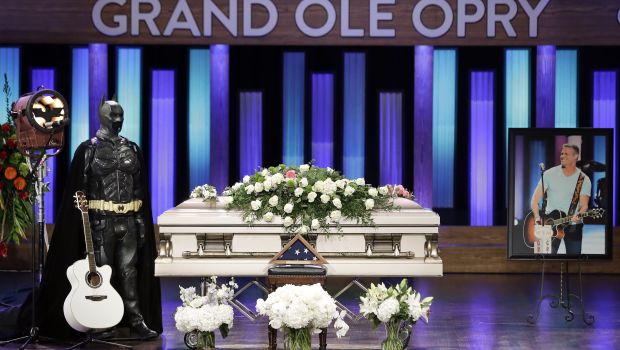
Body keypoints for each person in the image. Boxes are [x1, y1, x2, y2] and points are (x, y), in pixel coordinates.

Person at [37, 98, 161, 339]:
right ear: (102, 117)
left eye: (121, 116)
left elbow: (138, 188)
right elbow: (78, 188)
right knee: (105, 272)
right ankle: (105, 321)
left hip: (128, 221)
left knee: (129, 272)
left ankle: (136, 320)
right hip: (100, 222)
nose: (118, 120)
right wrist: (82, 222)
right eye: (113, 116)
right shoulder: (88, 149)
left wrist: (141, 222)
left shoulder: (132, 148)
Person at [530, 143, 591, 255]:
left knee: (574, 262)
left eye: (566, 154)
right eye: (561, 153)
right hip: (549, 225)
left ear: (576, 156)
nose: (562, 156)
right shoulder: (548, 174)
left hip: (573, 226)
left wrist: (580, 215)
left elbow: (584, 205)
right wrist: (537, 218)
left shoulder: (584, 179)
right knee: (545, 261)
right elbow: (534, 200)